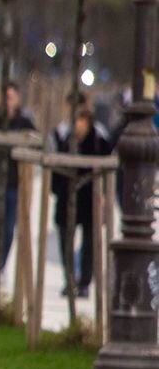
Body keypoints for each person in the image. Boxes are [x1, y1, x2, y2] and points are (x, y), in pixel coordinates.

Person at [51, 102, 111, 298]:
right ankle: (69, 279)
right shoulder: (64, 135)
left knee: (89, 242)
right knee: (65, 239)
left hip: (89, 197)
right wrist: (56, 188)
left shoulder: (98, 138)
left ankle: (85, 281)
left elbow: (107, 164)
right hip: (66, 195)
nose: (79, 125)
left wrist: (102, 195)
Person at [0, 80, 37, 281]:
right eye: (4, 97)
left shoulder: (24, 123)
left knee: (8, 227)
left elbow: (37, 142)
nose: (7, 101)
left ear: (17, 99)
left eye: (10, 97)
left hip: (14, 183)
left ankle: (0, 266)